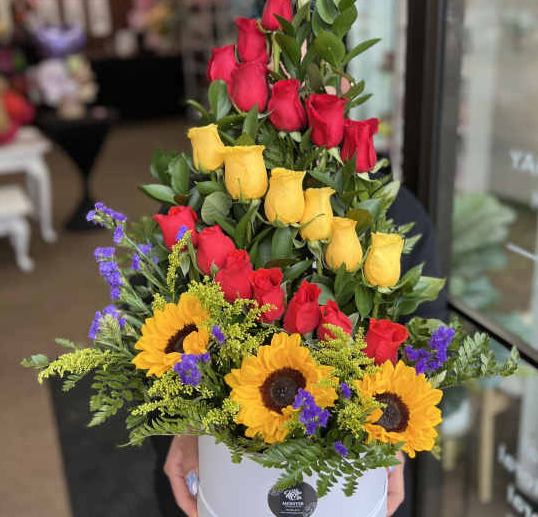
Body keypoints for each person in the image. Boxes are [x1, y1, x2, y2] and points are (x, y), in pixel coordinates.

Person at [155, 185, 447, 517]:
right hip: (221, 483)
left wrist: (392, 439)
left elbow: (428, 344)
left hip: (351, 493)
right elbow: (153, 328)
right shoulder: (200, 200)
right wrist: (185, 426)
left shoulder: (395, 212)